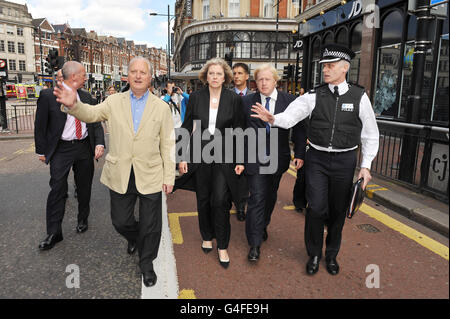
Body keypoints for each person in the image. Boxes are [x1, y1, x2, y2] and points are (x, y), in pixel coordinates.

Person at [251, 44, 379, 275]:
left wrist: (365, 166)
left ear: (344, 68)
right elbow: (291, 116)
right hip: (317, 160)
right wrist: (273, 119)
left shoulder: (359, 97)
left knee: (338, 211)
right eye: (324, 66)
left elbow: (370, 134)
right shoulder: (313, 95)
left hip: (345, 160)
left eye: (330, 66)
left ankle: (331, 255)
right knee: (316, 208)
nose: (325, 70)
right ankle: (314, 254)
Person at [53, 56, 175, 287]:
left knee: (151, 225)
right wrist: (73, 105)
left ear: (150, 78)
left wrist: (169, 176)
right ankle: (136, 238)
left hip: (150, 173)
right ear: (127, 76)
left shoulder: (161, 107)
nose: (138, 76)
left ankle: (146, 263)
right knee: (120, 221)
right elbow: (91, 114)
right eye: (134, 72)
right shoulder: (113, 101)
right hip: (120, 172)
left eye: (143, 72)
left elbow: (168, 144)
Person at [175, 58, 245, 269]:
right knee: (203, 198)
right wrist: (181, 157)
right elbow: (186, 127)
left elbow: (240, 130)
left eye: (219, 74)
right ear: (206, 76)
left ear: (225, 77)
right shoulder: (196, 97)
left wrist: (240, 159)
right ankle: (207, 235)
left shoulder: (233, 99)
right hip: (200, 154)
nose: (215, 77)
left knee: (220, 200)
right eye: (211, 73)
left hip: (225, 156)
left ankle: (222, 245)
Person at [34, 61, 105, 251]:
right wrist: (41, 150)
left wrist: (99, 142)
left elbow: (96, 122)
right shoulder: (49, 95)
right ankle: (54, 232)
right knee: (57, 188)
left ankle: (83, 218)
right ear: (73, 76)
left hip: (84, 147)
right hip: (61, 149)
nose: (85, 77)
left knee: (84, 187)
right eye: (83, 74)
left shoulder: (87, 96)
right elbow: (40, 125)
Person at [242, 63, 306, 262]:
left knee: (270, 197)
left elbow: (301, 127)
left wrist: (300, 153)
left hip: (278, 159)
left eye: (267, 79)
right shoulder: (246, 102)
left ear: (276, 81)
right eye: (260, 79)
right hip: (255, 160)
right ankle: (254, 244)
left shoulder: (290, 101)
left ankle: (262, 224)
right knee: (257, 198)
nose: (263, 83)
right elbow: (239, 129)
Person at [230, 62, 254, 222]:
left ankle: (241, 205)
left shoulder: (254, 96)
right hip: (229, 141)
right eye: (234, 73)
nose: (236, 76)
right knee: (230, 174)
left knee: (245, 177)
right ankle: (232, 200)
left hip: (248, 142)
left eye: (240, 73)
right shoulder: (226, 95)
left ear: (247, 76)